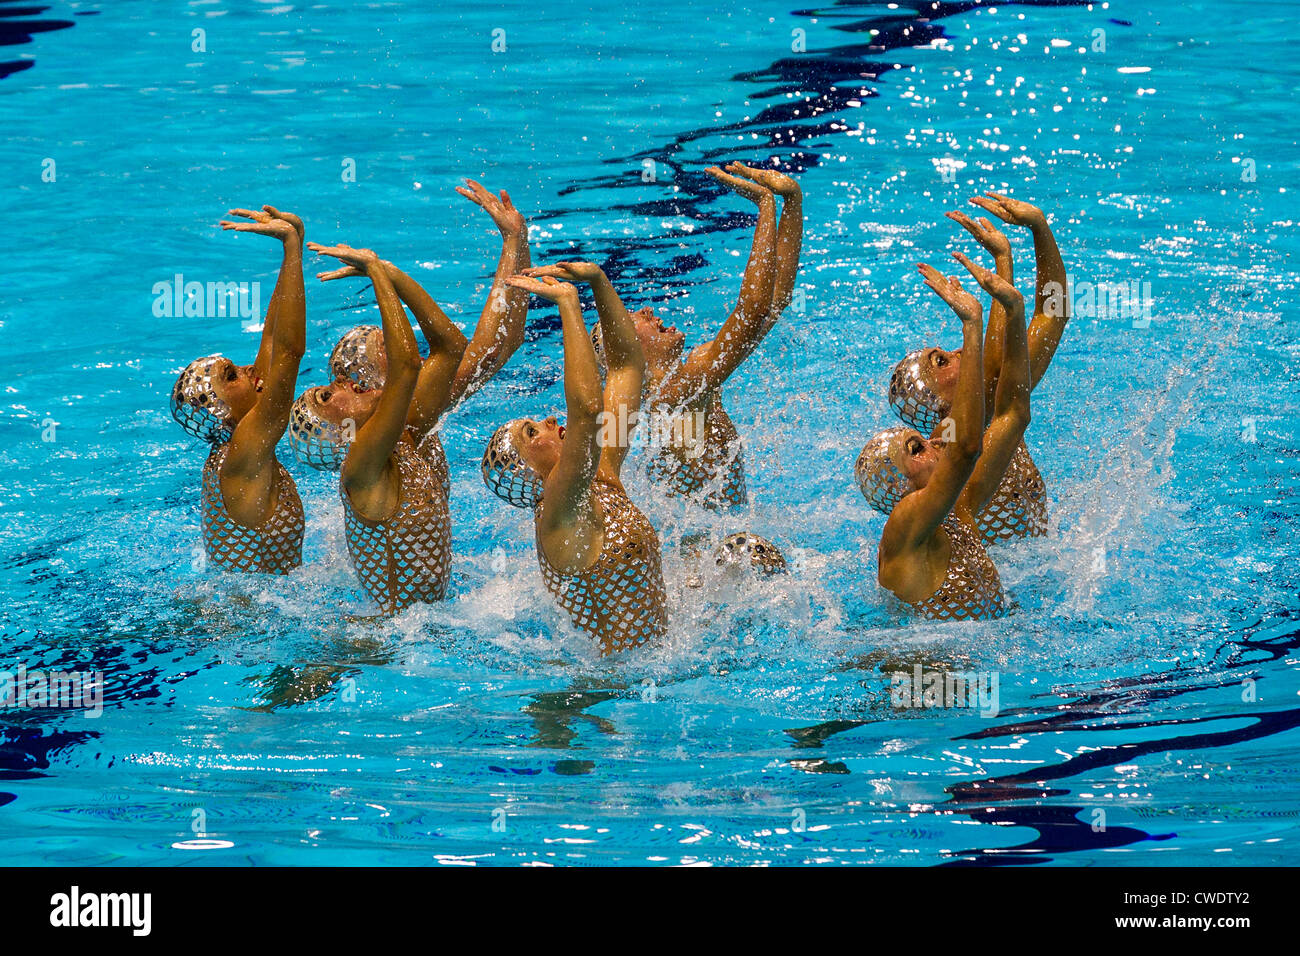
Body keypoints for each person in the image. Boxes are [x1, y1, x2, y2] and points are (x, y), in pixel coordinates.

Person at [548, 162, 801, 510]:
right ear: (625, 345)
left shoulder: (676, 387)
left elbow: (773, 305)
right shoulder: (677, 393)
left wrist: (791, 201)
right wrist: (766, 207)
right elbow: (753, 311)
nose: (649, 311)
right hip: (712, 555)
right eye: (635, 316)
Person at [480, 273, 666, 654]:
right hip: (610, 690)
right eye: (533, 433)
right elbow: (587, 410)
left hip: (656, 668)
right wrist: (568, 304)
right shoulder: (560, 509)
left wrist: (599, 283)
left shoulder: (600, 475)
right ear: (527, 471)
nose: (549, 420)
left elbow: (627, 368)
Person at [288, 242, 466, 612]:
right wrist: (377, 273)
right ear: (338, 432)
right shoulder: (362, 468)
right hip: (385, 642)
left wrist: (391, 274)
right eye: (327, 395)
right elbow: (407, 367)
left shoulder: (402, 437)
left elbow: (450, 348)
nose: (342, 383)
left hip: (426, 629)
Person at [855, 249, 1031, 620]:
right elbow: (966, 448)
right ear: (901, 486)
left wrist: (1014, 311)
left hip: (982, 658)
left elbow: (1013, 415)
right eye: (916, 448)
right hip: (927, 670)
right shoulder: (903, 532)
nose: (933, 441)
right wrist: (971, 324)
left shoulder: (959, 509)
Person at [325, 181, 531, 494]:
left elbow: (501, 346)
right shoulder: (399, 430)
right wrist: (388, 274)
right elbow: (460, 349)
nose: (409, 349)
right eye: (387, 347)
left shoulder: (417, 412)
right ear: (371, 380)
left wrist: (516, 241)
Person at [886, 192, 1067, 540]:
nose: (957, 351)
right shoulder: (947, 440)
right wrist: (1004, 262)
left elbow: (1054, 313)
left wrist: (1040, 230)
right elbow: (994, 368)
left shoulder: (999, 401)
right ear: (937, 402)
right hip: (1003, 578)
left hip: (1041, 565)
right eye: (941, 362)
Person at [170, 206, 306, 574]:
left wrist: (292, 246)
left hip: (248, 608)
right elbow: (291, 353)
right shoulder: (246, 447)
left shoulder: (235, 441)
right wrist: (293, 249)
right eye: (232, 376)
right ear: (223, 413)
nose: (249, 370)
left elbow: (275, 341)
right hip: (246, 625)